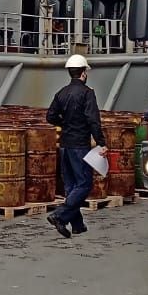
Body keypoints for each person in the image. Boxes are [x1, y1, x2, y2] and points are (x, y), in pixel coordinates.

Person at [45, 54, 107, 238]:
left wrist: (65, 124)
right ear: (83, 73)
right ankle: (59, 215)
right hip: (80, 145)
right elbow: (93, 120)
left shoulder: (61, 93)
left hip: (64, 144)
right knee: (84, 184)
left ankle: (78, 225)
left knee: (71, 185)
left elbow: (50, 116)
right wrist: (101, 143)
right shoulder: (88, 93)